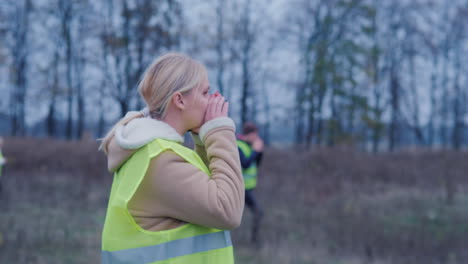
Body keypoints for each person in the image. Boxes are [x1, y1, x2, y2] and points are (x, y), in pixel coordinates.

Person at [99, 53, 244, 264]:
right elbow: (227, 210)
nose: (213, 100)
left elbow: (206, 189)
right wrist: (219, 131)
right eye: (205, 92)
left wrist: (203, 141)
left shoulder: (154, 150)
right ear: (179, 100)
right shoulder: (159, 160)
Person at [237, 122, 264, 246]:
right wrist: (255, 151)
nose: (257, 137)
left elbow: (256, 164)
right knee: (258, 212)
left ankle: (254, 240)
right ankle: (255, 241)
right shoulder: (238, 145)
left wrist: (259, 152)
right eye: (256, 135)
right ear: (250, 134)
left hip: (248, 188)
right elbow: (245, 164)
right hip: (241, 189)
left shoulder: (248, 146)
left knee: (255, 212)